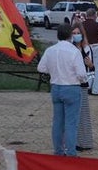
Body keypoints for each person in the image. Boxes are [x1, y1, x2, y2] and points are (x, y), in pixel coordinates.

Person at [37, 24, 87, 156]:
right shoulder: (74, 51)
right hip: (71, 87)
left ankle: (58, 151)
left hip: (56, 87)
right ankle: (71, 152)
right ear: (71, 35)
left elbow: (41, 68)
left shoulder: (50, 50)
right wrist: (81, 80)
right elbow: (81, 73)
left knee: (58, 122)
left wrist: (52, 71)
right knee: (71, 123)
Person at [69, 22, 94, 152]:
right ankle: (74, 141)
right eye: (74, 33)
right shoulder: (69, 49)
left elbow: (92, 68)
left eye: (78, 33)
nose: (76, 35)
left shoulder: (86, 48)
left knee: (83, 115)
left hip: (83, 85)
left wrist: (90, 64)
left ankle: (85, 142)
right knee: (73, 115)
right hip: (72, 84)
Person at [81, 8, 98, 96]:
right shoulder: (96, 24)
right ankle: (95, 89)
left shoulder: (82, 24)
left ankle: (88, 86)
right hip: (95, 46)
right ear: (94, 15)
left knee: (88, 67)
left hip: (85, 47)